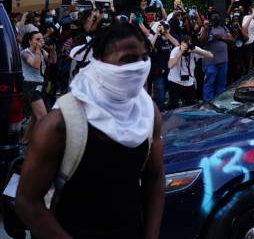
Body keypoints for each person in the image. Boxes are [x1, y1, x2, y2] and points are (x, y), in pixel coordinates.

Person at [15, 23, 164, 239]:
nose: (139, 67)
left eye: (143, 58)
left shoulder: (148, 113)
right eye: (128, 60)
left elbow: (154, 178)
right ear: (100, 62)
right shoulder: (60, 123)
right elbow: (27, 202)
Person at [167, 35, 213, 109]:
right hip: (175, 81)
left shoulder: (193, 49)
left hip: (189, 82)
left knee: (191, 106)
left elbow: (210, 55)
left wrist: (195, 50)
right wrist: (181, 51)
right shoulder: (176, 50)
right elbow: (170, 65)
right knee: (174, 106)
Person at [197, 12, 233, 102]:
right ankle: (208, 103)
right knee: (209, 83)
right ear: (210, 19)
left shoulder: (224, 28)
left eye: (217, 18)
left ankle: (219, 102)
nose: (215, 19)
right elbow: (202, 42)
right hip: (210, 62)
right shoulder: (206, 29)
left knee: (221, 83)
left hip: (223, 60)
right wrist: (206, 29)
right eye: (213, 18)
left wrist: (221, 37)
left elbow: (231, 39)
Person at [20, 31, 48, 144]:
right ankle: (43, 144)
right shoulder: (24, 53)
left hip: (40, 85)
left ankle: (25, 139)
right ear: (30, 41)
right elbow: (35, 66)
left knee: (35, 118)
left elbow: (52, 61)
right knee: (43, 117)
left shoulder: (41, 52)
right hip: (30, 86)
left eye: (41, 39)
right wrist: (38, 50)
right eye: (37, 39)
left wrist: (51, 51)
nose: (40, 42)